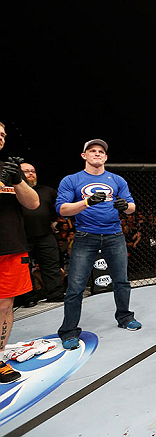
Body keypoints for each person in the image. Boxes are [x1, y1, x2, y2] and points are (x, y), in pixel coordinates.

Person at [55, 139, 141, 351]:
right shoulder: (71, 180)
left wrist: (125, 206)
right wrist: (86, 202)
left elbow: (131, 207)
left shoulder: (117, 179)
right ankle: (68, 331)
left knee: (122, 280)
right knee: (75, 287)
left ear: (106, 157)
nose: (97, 154)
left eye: (101, 151)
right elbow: (62, 209)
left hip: (114, 234)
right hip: (85, 236)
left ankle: (124, 317)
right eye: (92, 151)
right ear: (84, 155)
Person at [0, 121, 40, 383]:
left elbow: (33, 202)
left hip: (9, 245)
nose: (1, 138)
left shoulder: (8, 168)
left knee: (4, 304)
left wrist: (16, 179)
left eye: (3, 134)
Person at [20, 163, 65, 304]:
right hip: (21, 237)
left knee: (51, 265)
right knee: (24, 269)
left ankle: (56, 294)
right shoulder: (12, 190)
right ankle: (28, 298)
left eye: (33, 171)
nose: (31, 174)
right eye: (26, 171)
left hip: (45, 234)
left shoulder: (46, 190)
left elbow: (62, 203)